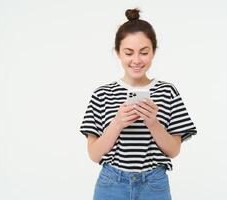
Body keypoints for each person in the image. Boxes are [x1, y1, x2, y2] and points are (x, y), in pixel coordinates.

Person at [79, 8, 197, 200]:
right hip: (111, 184)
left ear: (153, 52)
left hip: (154, 184)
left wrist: (153, 123)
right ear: (118, 52)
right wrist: (117, 123)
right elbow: (94, 154)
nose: (136, 60)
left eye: (144, 52)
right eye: (128, 52)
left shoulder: (168, 92)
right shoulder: (102, 94)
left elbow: (174, 151)